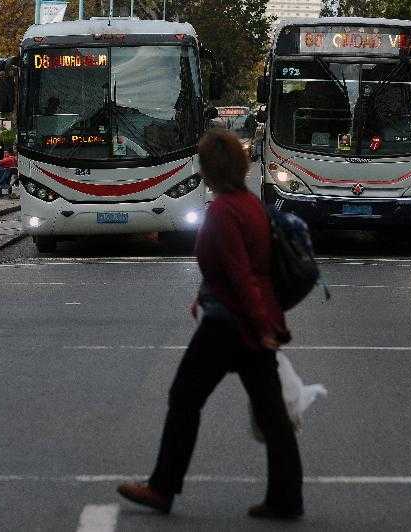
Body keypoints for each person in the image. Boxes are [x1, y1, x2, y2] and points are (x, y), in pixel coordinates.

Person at [116, 129, 303, 520]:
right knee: (271, 412)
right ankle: (286, 497)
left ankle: (163, 487)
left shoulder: (221, 211)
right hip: (249, 318)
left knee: (184, 398)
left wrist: (258, 324)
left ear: (209, 168)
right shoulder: (250, 204)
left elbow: (239, 273)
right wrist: (256, 319)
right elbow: (246, 267)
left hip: (230, 323)